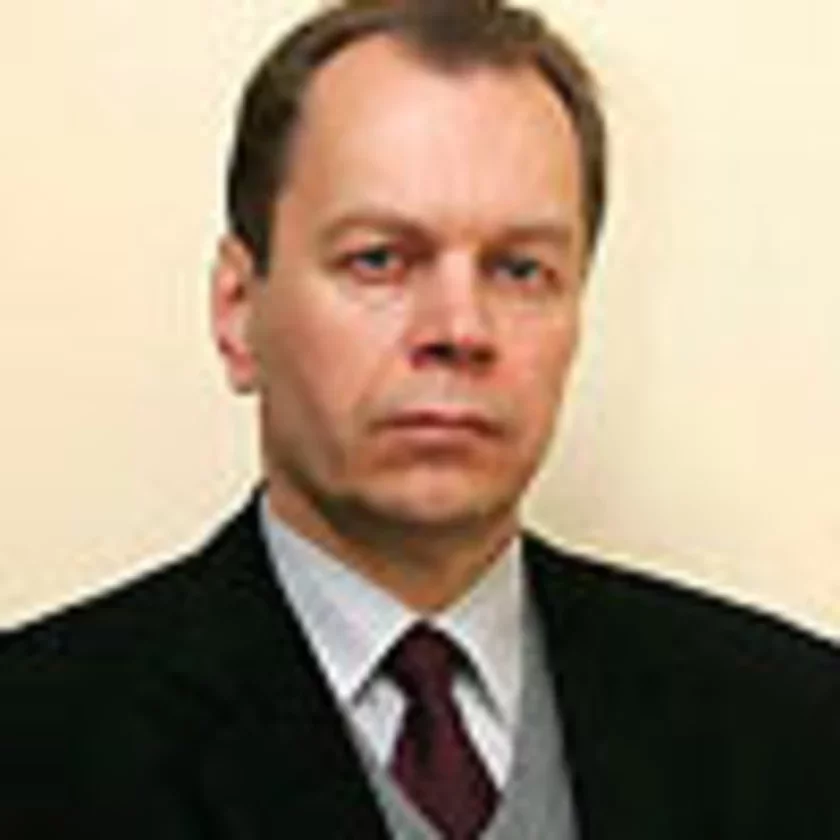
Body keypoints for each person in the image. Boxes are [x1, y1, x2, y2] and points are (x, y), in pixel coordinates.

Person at [2, 1, 839, 837]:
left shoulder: (797, 726)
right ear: (237, 312)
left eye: (520, 269)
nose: (459, 329)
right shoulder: (34, 746)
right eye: (378, 260)